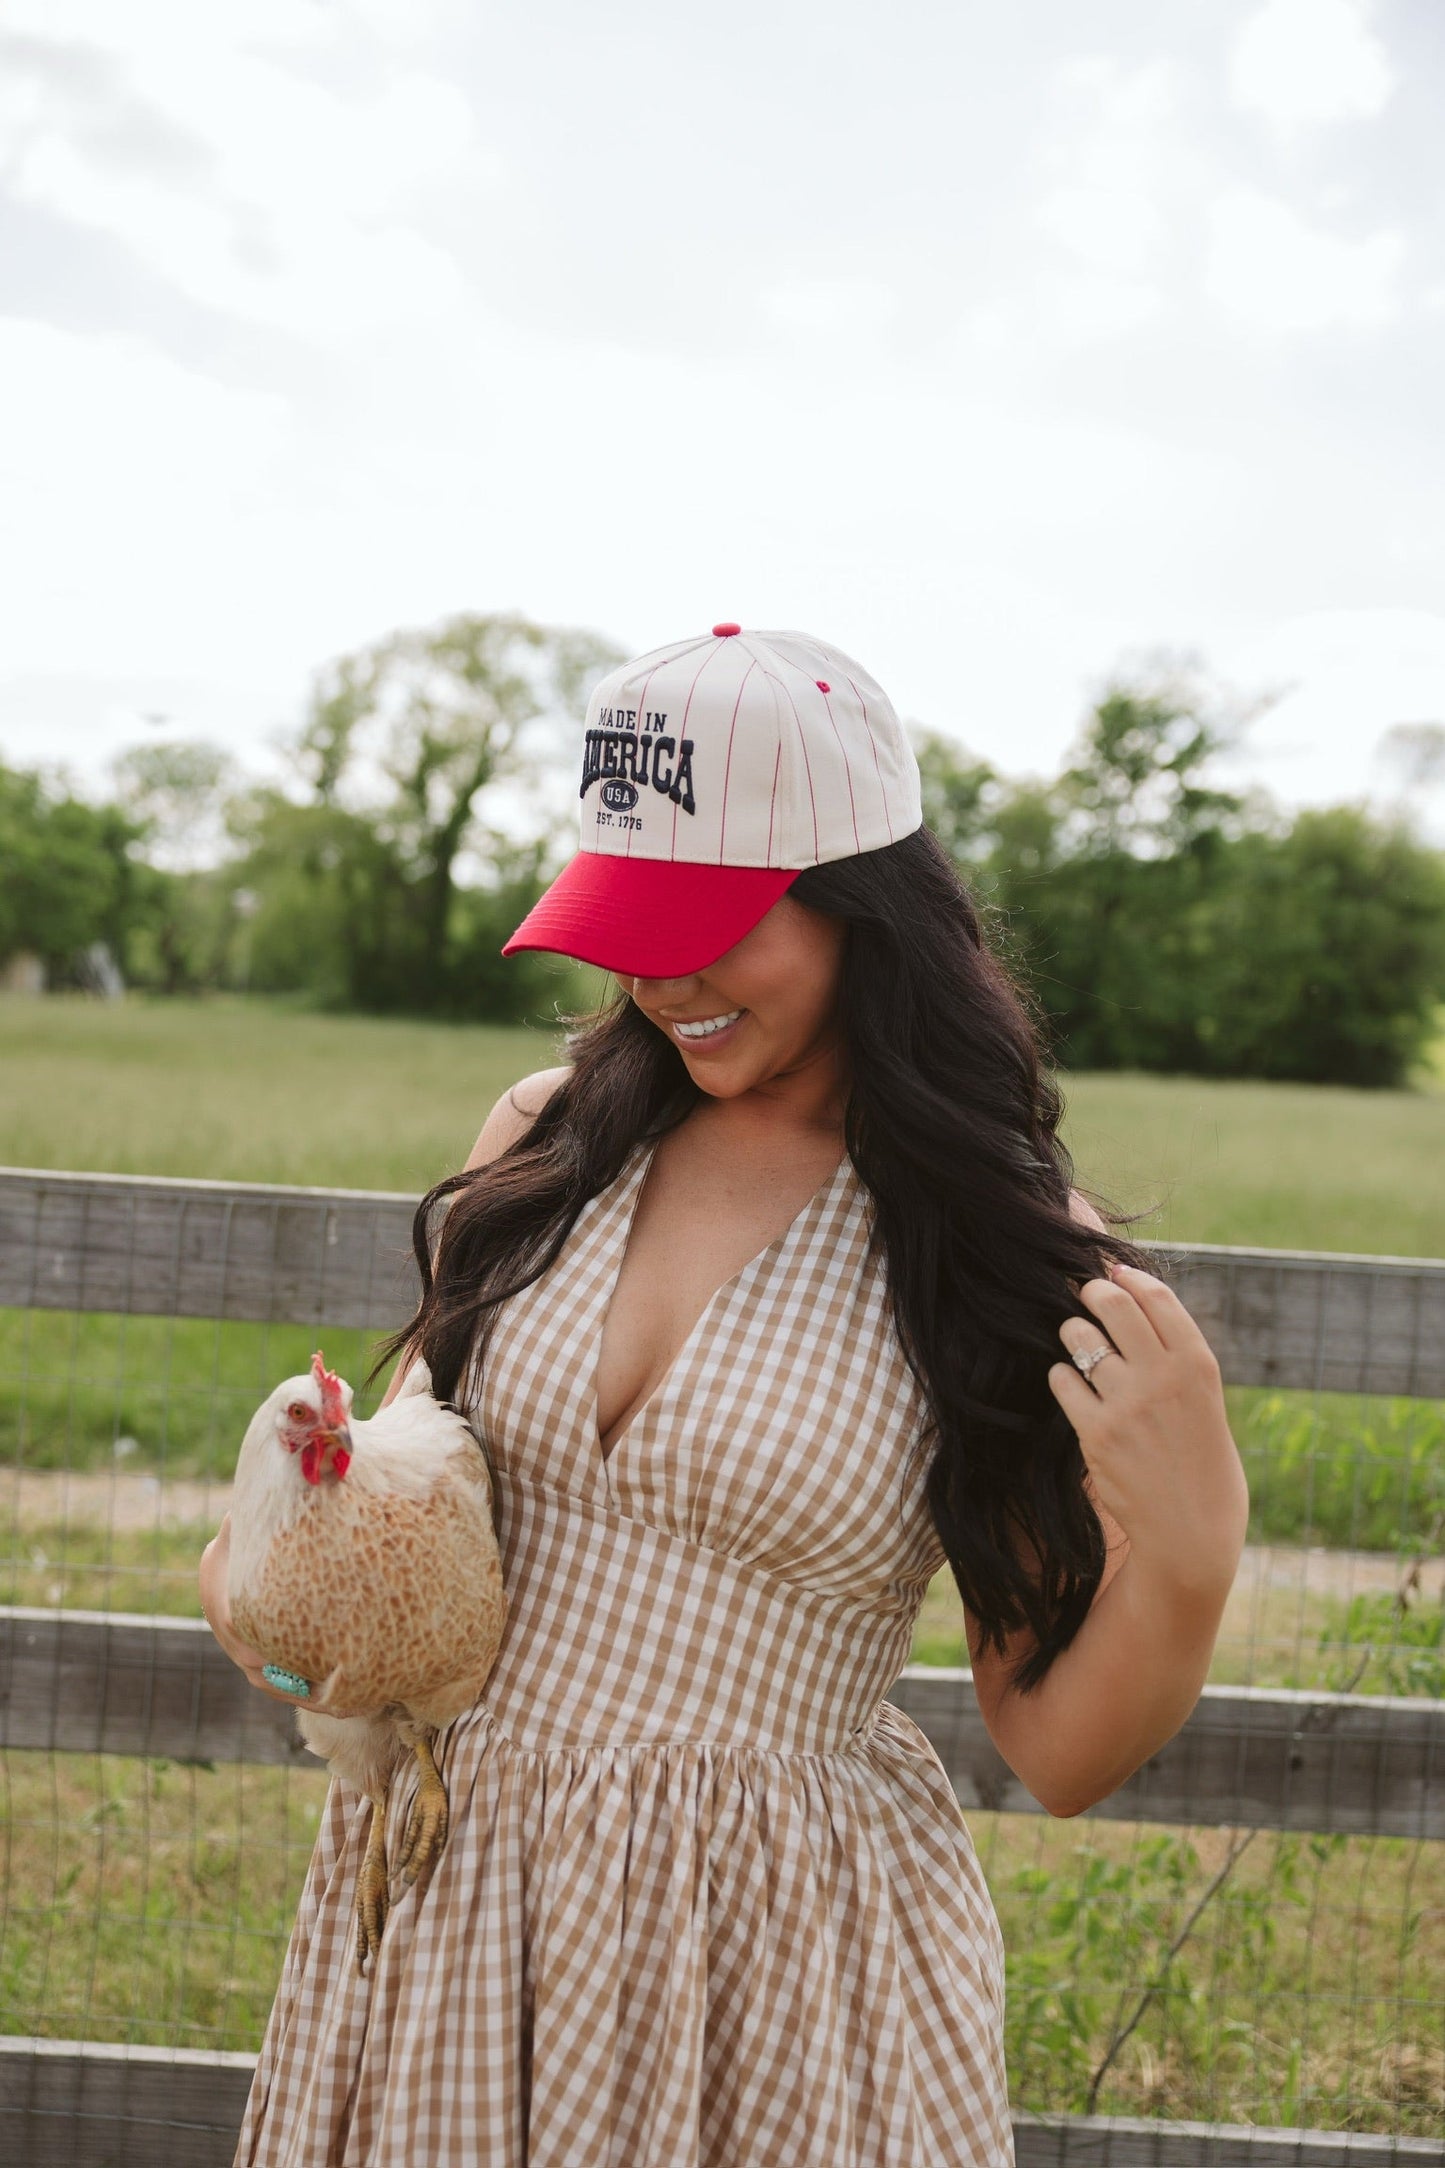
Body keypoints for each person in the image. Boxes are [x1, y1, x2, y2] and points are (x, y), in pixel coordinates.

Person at [201, 623, 1249, 2166]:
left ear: (866, 909)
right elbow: (391, 1537)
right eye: (629, 921)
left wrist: (1193, 1550)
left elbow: (1058, 1750)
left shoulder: (996, 1255)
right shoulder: (547, 1141)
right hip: (450, 1897)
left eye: (712, 923)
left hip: (763, 1950)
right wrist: (279, 1570)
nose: (658, 976)